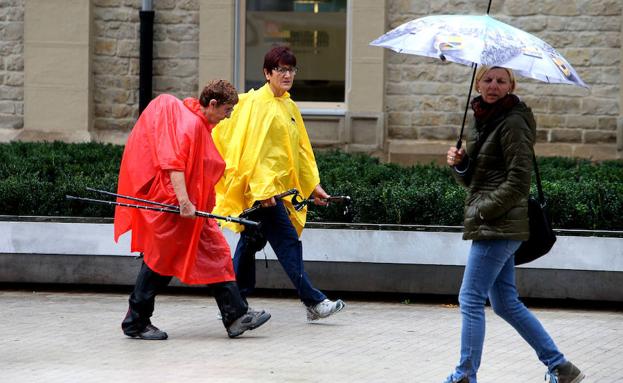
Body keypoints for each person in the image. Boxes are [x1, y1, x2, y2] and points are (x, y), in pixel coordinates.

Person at [443, 66, 584, 383]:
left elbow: (519, 183)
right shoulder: (483, 119)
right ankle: (561, 367)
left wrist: (482, 211)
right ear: (478, 83)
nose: (493, 85)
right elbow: (479, 180)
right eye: (488, 79)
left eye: (501, 80)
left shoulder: (514, 122)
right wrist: (462, 164)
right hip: (495, 223)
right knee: (505, 302)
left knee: (470, 298)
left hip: (500, 224)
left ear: (511, 86)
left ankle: (465, 374)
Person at [114, 80, 271, 340]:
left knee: (217, 253)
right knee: (158, 263)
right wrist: (185, 202)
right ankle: (135, 322)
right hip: (175, 207)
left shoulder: (195, 120)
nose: (228, 116)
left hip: (191, 209)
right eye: (227, 110)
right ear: (212, 104)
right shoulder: (190, 125)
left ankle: (235, 316)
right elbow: (173, 164)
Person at [212, 46, 345, 321]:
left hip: (279, 192)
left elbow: (301, 150)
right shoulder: (256, 105)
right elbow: (252, 152)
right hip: (264, 193)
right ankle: (314, 301)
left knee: (249, 243)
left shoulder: (289, 105)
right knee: (286, 243)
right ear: (267, 73)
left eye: (291, 70)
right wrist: (262, 191)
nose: (287, 75)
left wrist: (312, 186)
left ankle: (233, 303)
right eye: (281, 69)